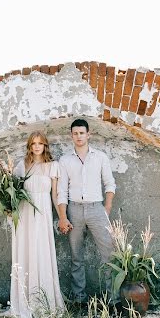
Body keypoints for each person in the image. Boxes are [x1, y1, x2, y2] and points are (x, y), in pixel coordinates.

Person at [7, 131, 65, 318]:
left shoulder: (52, 166)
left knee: (41, 252)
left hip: (42, 214)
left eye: (40, 143)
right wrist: (8, 208)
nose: (37, 146)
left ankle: (43, 302)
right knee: (25, 253)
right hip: (24, 215)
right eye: (33, 143)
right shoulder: (22, 166)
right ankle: (23, 302)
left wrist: (62, 217)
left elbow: (56, 196)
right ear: (29, 146)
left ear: (45, 145)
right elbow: (13, 192)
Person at [58, 118, 116, 304]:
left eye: (82, 133)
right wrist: (63, 216)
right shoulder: (65, 160)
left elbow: (109, 183)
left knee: (109, 254)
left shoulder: (100, 157)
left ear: (88, 134)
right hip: (74, 210)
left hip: (96, 208)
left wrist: (106, 207)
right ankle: (79, 300)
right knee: (76, 257)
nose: (79, 136)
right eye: (75, 133)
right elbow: (61, 191)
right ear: (71, 136)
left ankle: (112, 300)